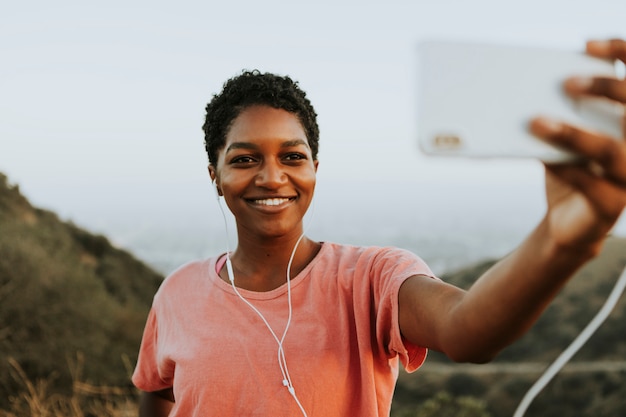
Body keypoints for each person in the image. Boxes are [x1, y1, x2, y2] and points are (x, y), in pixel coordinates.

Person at [132, 38, 626, 416]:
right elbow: (155, 392)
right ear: (215, 175)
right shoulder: (177, 293)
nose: (272, 176)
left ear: (315, 169)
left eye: (292, 156)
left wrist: (561, 239)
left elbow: (468, 330)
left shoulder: (369, 278)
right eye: (244, 158)